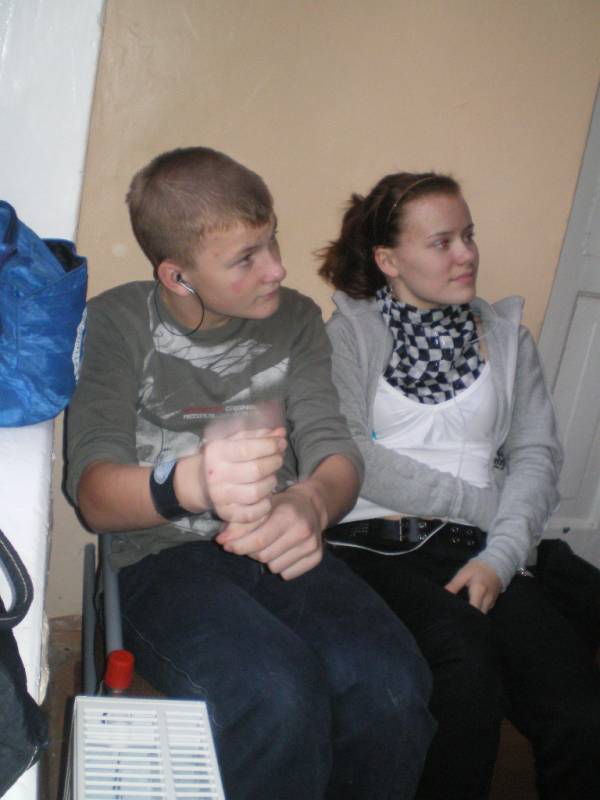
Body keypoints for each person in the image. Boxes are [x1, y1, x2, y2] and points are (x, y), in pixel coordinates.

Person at [65, 148, 435, 800]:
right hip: (159, 563)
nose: (278, 268)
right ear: (178, 277)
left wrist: (313, 503)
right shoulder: (116, 322)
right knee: (276, 696)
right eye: (246, 259)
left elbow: (335, 451)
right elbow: (94, 494)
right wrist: (191, 484)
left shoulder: (296, 320)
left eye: (272, 242)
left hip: (282, 546)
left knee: (393, 685)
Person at [318, 171, 600, 800]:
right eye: (442, 242)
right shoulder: (348, 336)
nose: (466, 254)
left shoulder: (507, 339)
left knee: (578, 710)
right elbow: (350, 453)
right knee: (466, 676)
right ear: (389, 260)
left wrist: (501, 554)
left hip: (486, 549)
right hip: (374, 547)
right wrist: (478, 506)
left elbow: (537, 456)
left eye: (468, 235)